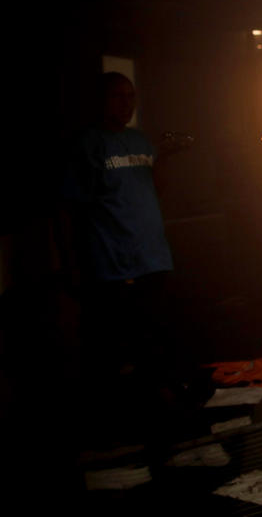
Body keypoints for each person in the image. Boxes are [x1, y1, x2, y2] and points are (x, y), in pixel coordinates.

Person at [64, 72, 185, 381]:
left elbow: (155, 189)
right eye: (118, 97)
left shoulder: (140, 140)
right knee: (113, 351)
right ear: (101, 100)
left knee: (153, 344)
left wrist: (166, 158)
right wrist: (72, 265)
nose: (126, 103)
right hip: (112, 264)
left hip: (152, 259)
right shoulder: (87, 144)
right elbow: (71, 208)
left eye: (131, 96)